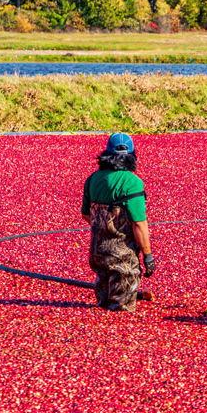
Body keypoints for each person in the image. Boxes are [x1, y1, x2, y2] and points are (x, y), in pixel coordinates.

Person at [81, 133, 156, 312]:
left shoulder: (93, 179)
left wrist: (104, 229)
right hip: (123, 259)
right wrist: (148, 255)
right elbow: (139, 223)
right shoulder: (132, 182)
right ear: (132, 155)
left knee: (103, 304)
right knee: (122, 310)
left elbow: (86, 214)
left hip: (98, 254)